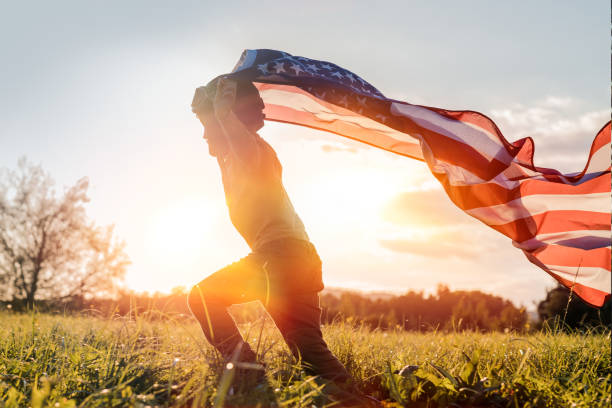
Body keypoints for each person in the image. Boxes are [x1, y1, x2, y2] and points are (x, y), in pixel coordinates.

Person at [187, 76, 379, 406]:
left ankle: (250, 376)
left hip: (279, 257)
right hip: (299, 258)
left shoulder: (254, 153)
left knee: (203, 297)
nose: (205, 135)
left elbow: (235, 138)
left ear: (230, 120)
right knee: (310, 354)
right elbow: (223, 140)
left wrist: (221, 112)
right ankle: (359, 402)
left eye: (212, 125)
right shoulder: (231, 160)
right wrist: (206, 111)